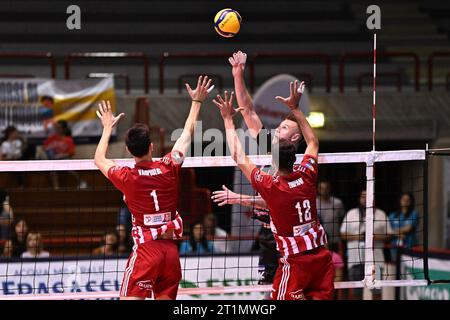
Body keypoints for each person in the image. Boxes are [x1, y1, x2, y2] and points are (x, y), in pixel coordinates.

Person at [212, 80, 334, 300]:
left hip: (295, 258)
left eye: (284, 128)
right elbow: (313, 142)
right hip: (321, 256)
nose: (277, 129)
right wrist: (296, 109)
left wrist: (227, 120)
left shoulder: (272, 185)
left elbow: (238, 156)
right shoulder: (307, 174)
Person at [94, 75, 213, 300]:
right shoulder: (169, 166)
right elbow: (187, 133)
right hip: (170, 252)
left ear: (129, 152)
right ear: (151, 146)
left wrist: (108, 128)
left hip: (147, 253)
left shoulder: (127, 177)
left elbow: (99, 159)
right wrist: (197, 102)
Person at [211, 50, 305, 288]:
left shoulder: (297, 166)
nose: (277, 130)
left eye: (282, 128)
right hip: (268, 234)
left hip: (288, 237)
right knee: (269, 290)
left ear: (294, 137)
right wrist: (238, 75)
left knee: (291, 290)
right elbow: (249, 111)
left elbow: (273, 200)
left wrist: (236, 198)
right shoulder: (272, 148)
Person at [340, 190, 393, 300]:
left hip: (375, 260)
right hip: (355, 260)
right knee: (356, 294)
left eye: (368, 196)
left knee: (376, 292)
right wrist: (358, 237)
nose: (366, 199)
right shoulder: (351, 213)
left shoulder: (381, 214)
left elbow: (390, 235)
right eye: (363, 196)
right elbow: (342, 234)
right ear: (359, 199)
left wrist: (373, 237)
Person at [388, 192, 419, 262]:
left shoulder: (414, 214)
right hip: (395, 247)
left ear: (411, 202)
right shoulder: (392, 215)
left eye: (407, 200)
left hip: (410, 246)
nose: (405, 201)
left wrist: (394, 231)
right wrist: (397, 233)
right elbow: (388, 230)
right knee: (397, 270)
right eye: (403, 199)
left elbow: (408, 228)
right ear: (400, 200)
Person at [316, 180, 345, 252]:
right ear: (318, 189)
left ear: (329, 189)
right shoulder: (314, 203)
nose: (324, 190)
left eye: (326, 188)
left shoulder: (337, 203)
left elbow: (342, 220)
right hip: (319, 240)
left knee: (337, 261)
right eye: (322, 188)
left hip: (335, 239)